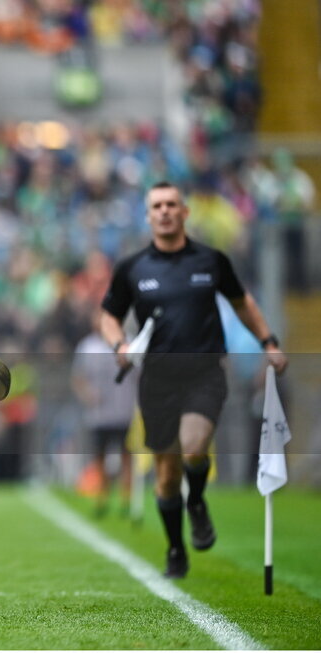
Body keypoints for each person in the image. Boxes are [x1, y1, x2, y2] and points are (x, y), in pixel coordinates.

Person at [100, 181, 287, 579]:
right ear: (148, 216)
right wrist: (118, 344)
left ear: (184, 212)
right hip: (157, 380)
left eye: (172, 204)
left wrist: (268, 341)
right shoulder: (133, 268)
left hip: (204, 373)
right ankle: (174, 549)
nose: (165, 211)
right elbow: (108, 315)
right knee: (166, 475)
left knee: (194, 447)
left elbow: (242, 303)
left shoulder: (211, 261)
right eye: (157, 206)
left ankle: (197, 503)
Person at [71, 307, 136, 517]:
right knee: (100, 456)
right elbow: (78, 377)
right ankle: (102, 497)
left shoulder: (129, 344)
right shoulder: (87, 346)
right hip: (98, 414)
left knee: (127, 456)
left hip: (125, 410)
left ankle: (127, 499)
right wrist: (87, 394)